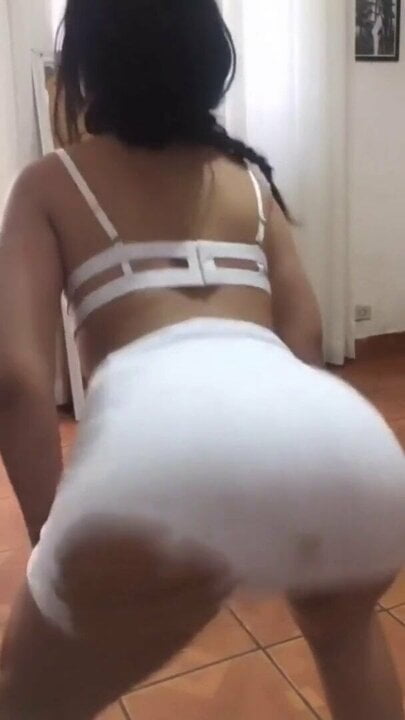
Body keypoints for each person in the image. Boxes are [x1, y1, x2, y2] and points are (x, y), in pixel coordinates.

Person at [0, 1, 404, 718]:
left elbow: (16, 378)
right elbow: (304, 338)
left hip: (161, 459)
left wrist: (48, 540)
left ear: (86, 62)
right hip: (346, 447)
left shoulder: (50, 182)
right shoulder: (247, 178)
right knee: (344, 635)